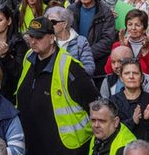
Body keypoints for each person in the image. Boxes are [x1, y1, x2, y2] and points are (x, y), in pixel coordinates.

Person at [16, 16, 96, 155]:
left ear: (52, 38)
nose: (33, 42)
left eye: (39, 37)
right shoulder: (29, 57)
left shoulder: (70, 67)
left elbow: (95, 103)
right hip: (32, 144)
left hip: (65, 148)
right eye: (31, 37)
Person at [67, 0, 117, 79]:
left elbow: (108, 40)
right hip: (72, 60)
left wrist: (86, 53)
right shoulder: (70, 10)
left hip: (97, 63)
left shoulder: (105, 12)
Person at [111, 60, 149, 151]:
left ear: (141, 78)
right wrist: (132, 121)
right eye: (127, 73)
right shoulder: (112, 101)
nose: (131, 76)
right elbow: (110, 131)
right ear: (121, 78)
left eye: (135, 73)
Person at [46, 6, 95, 75]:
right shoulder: (47, 41)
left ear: (64, 24)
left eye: (53, 22)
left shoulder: (81, 42)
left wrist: (67, 70)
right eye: (48, 22)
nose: (49, 25)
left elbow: (89, 68)